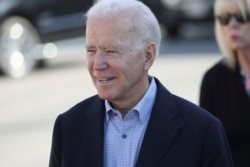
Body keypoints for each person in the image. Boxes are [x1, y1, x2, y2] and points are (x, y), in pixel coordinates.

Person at [49, 0, 234, 166]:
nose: (97, 64)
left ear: (147, 56)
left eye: (111, 51)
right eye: (91, 50)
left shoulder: (202, 131)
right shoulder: (68, 128)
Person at [199, 0, 250, 166]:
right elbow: (205, 148)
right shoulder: (214, 79)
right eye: (224, 18)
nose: (232, 25)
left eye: (241, 17)